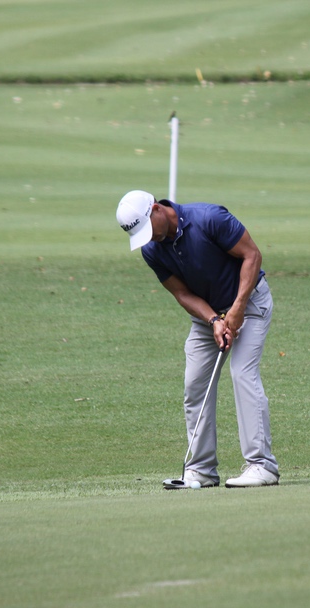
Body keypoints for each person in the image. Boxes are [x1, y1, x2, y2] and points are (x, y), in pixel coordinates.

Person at [115, 190, 279, 488]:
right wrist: (214, 320)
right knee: (195, 384)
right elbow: (182, 293)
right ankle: (201, 470)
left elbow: (252, 255)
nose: (149, 238)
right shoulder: (151, 249)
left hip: (250, 303)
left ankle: (262, 465)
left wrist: (237, 309)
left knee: (242, 373)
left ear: (157, 209)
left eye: (148, 228)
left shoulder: (209, 218)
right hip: (208, 315)